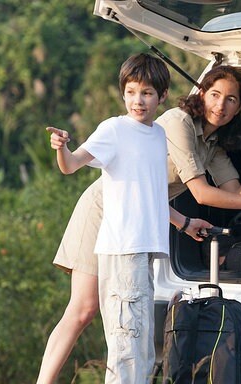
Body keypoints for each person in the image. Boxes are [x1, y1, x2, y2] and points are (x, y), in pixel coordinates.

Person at [36, 64, 241, 383]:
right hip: (106, 209)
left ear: (240, 107)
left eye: (231, 99)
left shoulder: (212, 145)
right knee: (83, 310)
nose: (221, 105)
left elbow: (233, 193)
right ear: (200, 94)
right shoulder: (176, 123)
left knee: (107, 317)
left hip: (146, 214)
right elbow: (203, 194)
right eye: (215, 94)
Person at [45, 52, 177, 383]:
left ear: (162, 96)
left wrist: (183, 224)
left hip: (145, 252)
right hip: (122, 250)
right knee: (127, 346)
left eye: (147, 93)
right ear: (122, 93)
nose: (138, 100)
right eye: (131, 92)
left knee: (142, 349)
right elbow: (71, 165)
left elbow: (152, 196)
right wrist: (61, 147)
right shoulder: (115, 129)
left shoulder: (158, 134)